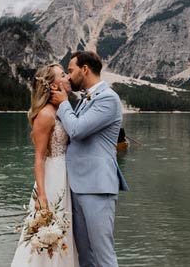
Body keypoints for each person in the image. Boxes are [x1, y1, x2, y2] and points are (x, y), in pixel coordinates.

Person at [50, 51, 128, 267]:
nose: (69, 75)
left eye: (71, 70)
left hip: (97, 188)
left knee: (103, 256)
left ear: (85, 69)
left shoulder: (109, 99)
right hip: (78, 186)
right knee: (85, 256)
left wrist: (64, 101)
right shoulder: (85, 98)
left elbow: (76, 130)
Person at [11, 63, 79, 267]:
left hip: (66, 176)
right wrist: (41, 195)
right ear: (52, 84)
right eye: (63, 75)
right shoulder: (46, 114)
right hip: (52, 179)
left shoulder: (62, 110)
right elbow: (39, 158)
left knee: (65, 234)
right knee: (47, 233)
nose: (67, 77)